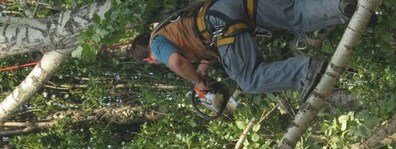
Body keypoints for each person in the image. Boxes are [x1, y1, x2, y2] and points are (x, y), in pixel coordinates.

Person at [131, 0, 360, 101]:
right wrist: (202, 67)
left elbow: (176, 62)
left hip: (218, 23)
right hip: (229, 6)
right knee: (295, 14)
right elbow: (200, 39)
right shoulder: (169, 28)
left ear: (149, 59)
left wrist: (198, 83)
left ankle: (307, 71)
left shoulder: (157, 43)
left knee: (249, 80)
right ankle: (341, 6)